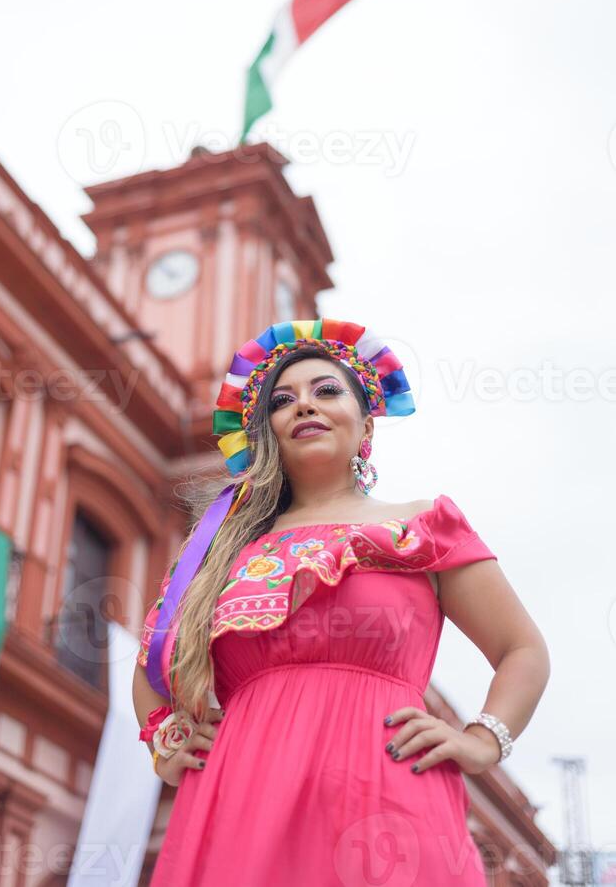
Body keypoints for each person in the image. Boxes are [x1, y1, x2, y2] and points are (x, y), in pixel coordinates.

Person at [132, 318, 550, 886]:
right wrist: (168, 744)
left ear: (364, 423)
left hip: (386, 787)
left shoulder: (422, 525)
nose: (304, 405)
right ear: (268, 431)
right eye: (283, 400)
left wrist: (482, 740)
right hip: (239, 792)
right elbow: (156, 660)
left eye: (326, 391)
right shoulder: (224, 549)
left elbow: (522, 648)